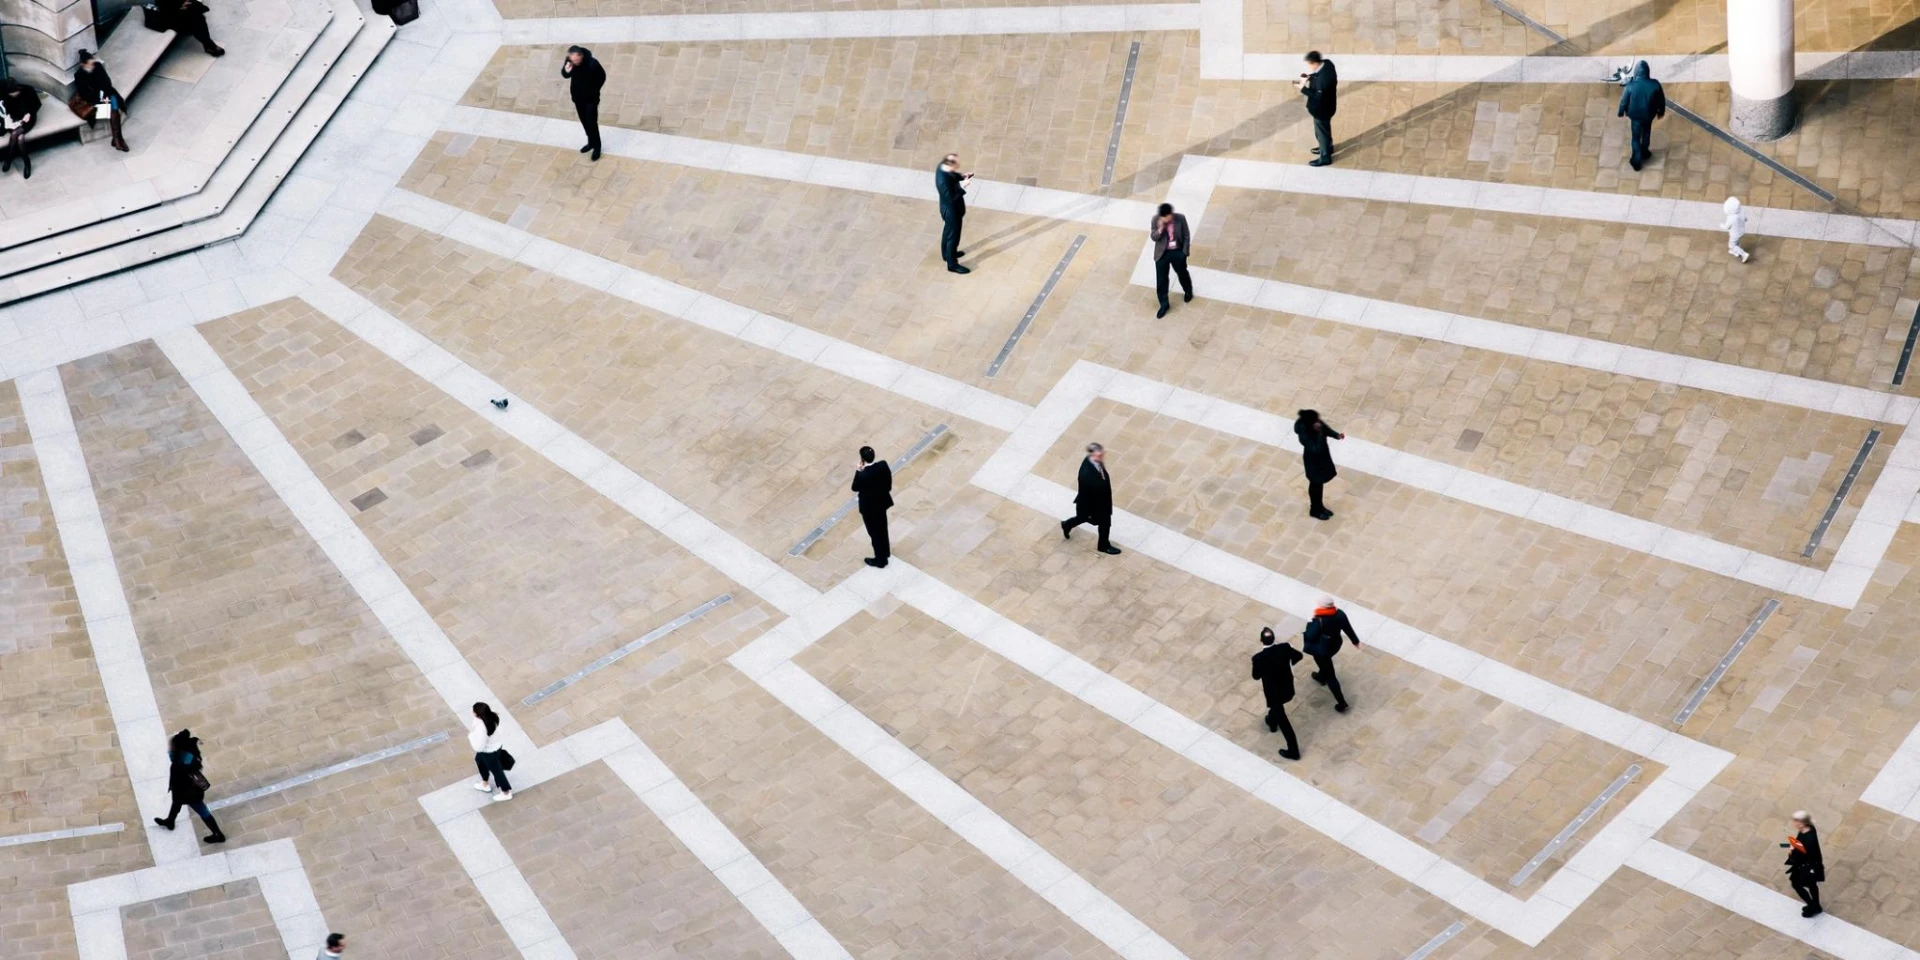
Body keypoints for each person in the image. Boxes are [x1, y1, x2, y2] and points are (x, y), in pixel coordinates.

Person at [153, 729, 225, 844]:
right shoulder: (187, 756)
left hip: (189, 793)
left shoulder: (181, 764)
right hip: (185, 791)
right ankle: (170, 821)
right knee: (176, 802)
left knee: (202, 811)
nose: (169, 749)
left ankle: (218, 834)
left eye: (172, 747)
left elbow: (179, 775)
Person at [1251, 626, 1305, 760]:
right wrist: (1289, 664)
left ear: (1261, 640)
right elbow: (1299, 655)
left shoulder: (1258, 658)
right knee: (1276, 711)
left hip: (1273, 694)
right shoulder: (1284, 648)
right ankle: (1271, 721)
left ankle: (1294, 751)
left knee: (1285, 723)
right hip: (1287, 689)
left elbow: (1256, 676)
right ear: (1274, 639)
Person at [1302, 597, 1361, 713]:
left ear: (1323, 606)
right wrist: (1355, 641)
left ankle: (1342, 703)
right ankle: (1321, 676)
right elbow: (1348, 629)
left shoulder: (1319, 619)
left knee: (1331, 676)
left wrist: (1309, 623)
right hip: (1335, 644)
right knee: (1325, 665)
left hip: (1321, 650)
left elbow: (1310, 635)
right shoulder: (1340, 614)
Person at [1060, 442, 1120, 555]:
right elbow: (1087, 494)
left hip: (1101, 501)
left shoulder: (1095, 461)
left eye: (1102, 454)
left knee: (1084, 518)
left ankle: (1067, 524)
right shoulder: (1086, 474)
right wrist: (1092, 510)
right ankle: (1103, 546)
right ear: (1092, 455)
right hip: (1094, 504)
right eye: (1099, 455)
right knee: (1103, 523)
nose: (1102, 457)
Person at [73, 51, 131, 153]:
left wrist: (105, 95)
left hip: (107, 92)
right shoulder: (79, 75)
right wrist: (99, 98)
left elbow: (107, 81)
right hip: (94, 98)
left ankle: (117, 139)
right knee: (112, 108)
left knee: (114, 106)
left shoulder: (98, 66)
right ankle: (118, 139)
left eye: (93, 62)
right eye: (90, 63)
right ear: (83, 64)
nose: (92, 64)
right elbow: (84, 93)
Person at [1294, 409, 1345, 520]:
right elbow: (1314, 448)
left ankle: (1320, 507)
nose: (1319, 422)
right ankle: (1315, 509)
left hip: (1322, 458)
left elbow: (1326, 429)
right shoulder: (1304, 433)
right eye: (1316, 421)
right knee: (1315, 484)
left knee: (1319, 484)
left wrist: (1336, 435)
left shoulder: (1315, 424)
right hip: (1313, 462)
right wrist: (1320, 434)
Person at [1617, 60, 1665, 171]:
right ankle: (1644, 152)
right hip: (1649, 114)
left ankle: (1636, 160)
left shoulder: (1630, 85)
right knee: (1647, 133)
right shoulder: (1655, 84)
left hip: (1635, 116)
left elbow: (1624, 101)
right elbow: (1661, 100)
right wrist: (1660, 112)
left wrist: (1621, 111)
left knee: (1635, 137)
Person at [852, 445, 893, 568]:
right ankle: (885, 553)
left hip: (869, 508)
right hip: (882, 503)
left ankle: (880, 560)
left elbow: (854, 487)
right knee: (882, 530)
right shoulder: (883, 465)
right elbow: (888, 484)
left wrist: (858, 470)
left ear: (862, 459)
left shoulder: (863, 474)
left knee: (874, 534)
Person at [561, 46, 605, 161]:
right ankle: (590, 142)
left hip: (590, 100)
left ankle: (597, 147)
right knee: (584, 122)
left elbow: (602, 77)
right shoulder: (570, 61)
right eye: (572, 60)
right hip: (577, 98)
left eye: (575, 60)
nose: (573, 62)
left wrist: (594, 90)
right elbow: (565, 75)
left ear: (581, 56)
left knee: (592, 123)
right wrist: (567, 70)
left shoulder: (592, 64)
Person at [1150, 203, 1193, 319]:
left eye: (1167, 217)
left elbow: (1186, 236)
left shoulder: (1180, 218)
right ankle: (1164, 304)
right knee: (1161, 280)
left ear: (1171, 214)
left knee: (1182, 273)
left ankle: (1188, 291)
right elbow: (1154, 237)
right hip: (1162, 254)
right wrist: (1160, 228)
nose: (1166, 219)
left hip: (1177, 251)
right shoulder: (1156, 220)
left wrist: (1184, 253)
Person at [1297, 51, 1338, 166]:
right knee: (1323, 130)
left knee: (1321, 132)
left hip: (1322, 109)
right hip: (1328, 106)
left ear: (1314, 63)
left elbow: (1317, 96)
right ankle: (1327, 147)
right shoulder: (1328, 64)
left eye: (1309, 64)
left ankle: (1325, 156)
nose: (1309, 67)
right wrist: (1311, 77)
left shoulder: (1323, 81)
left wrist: (1302, 87)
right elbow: (1320, 76)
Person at [935, 153, 972, 274]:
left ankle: (946, 253)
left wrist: (961, 176)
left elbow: (952, 175)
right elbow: (951, 198)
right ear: (950, 165)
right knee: (953, 237)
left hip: (951, 209)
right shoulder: (943, 181)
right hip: (952, 212)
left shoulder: (943, 166)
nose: (957, 166)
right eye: (956, 165)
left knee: (948, 232)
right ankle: (952, 263)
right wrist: (963, 186)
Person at [1783, 811, 1825, 917]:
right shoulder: (1808, 829)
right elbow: (1800, 845)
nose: (1795, 823)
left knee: (1796, 884)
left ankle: (1813, 906)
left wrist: (1791, 851)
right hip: (1811, 865)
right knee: (1812, 885)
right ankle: (1816, 905)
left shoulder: (1808, 840)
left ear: (1803, 823)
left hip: (1806, 866)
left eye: (1797, 821)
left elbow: (1800, 854)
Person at [469, 702, 513, 801]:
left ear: (477, 714)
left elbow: (479, 747)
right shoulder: (492, 716)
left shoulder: (482, 727)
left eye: (473, 711)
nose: (472, 712)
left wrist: (471, 736)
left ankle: (506, 792)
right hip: (494, 747)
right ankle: (485, 783)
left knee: (497, 772)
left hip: (489, 751)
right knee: (479, 760)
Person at [1, 79, 40, 179]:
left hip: (28, 119)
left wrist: (29, 113)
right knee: (20, 138)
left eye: (14, 93)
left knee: (15, 135)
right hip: (14, 119)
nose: (13, 95)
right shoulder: (6, 94)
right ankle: (27, 163)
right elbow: (7, 109)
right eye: (11, 94)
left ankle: (9, 158)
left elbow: (37, 104)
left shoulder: (28, 90)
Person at [1722, 197, 1750, 263]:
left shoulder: (1731, 217)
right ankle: (1736, 251)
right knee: (1737, 241)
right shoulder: (1741, 211)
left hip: (1735, 233)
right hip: (1741, 231)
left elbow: (1727, 227)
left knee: (1731, 245)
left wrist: (1722, 226)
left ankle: (1744, 254)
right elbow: (1745, 218)